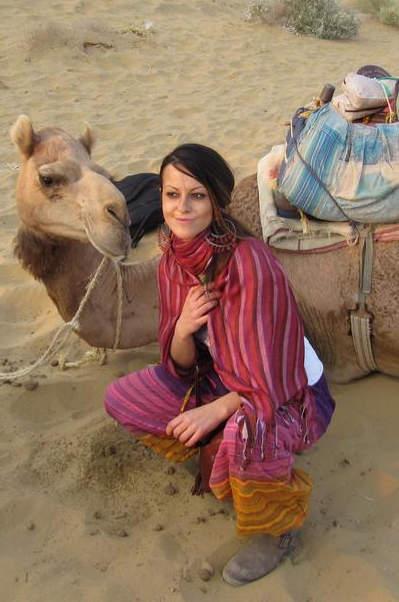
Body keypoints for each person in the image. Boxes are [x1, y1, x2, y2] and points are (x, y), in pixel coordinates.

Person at [104, 143, 335, 586]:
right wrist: (185, 329)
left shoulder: (250, 265)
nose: (181, 208)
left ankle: (275, 530)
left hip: (287, 389)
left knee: (250, 429)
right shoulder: (173, 255)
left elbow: (270, 377)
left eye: (196, 195)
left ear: (216, 199)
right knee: (123, 397)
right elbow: (183, 367)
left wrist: (212, 411)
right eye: (172, 195)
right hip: (224, 376)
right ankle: (224, 458)